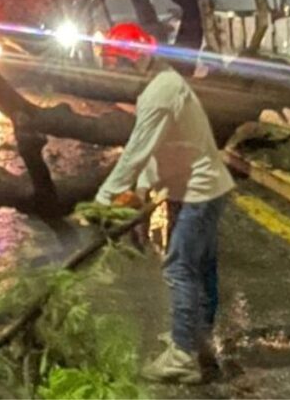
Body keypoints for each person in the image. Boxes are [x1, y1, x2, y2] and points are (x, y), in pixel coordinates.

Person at [94, 23, 235, 384]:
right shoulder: (161, 85)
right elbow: (160, 151)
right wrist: (141, 192)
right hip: (190, 188)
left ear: (134, 59)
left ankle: (184, 357)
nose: (113, 70)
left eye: (116, 61)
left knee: (179, 268)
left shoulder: (160, 92)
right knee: (200, 267)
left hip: (197, 192)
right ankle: (192, 335)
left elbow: (136, 154)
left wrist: (103, 200)